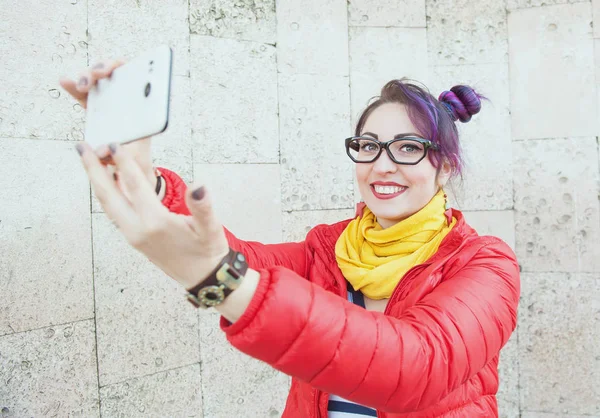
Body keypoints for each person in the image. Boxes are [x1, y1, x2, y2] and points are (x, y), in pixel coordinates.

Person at [60, 59, 520, 418]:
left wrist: (220, 281)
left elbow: (416, 367)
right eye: (368, 145)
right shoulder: (330, 249)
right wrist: (150, 183)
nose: (382, 164)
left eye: (408, 147)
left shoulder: (484, 264)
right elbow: (243, 260)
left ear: (443, 166)